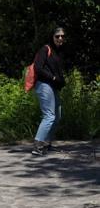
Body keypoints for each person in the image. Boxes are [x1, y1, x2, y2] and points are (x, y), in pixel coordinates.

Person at [30, 26, 68, 156]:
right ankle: (37, 146)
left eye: (62, 36)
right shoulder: (45, 49)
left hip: (53, 86)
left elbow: (57, 71)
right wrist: (53, 77)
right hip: (44, 85)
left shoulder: (59, 52)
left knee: (57, 116)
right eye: (57, 36)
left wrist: (60, 80)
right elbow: (38, 68)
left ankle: (46, 144)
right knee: (49, 115)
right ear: (52, 37)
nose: (60, 38)